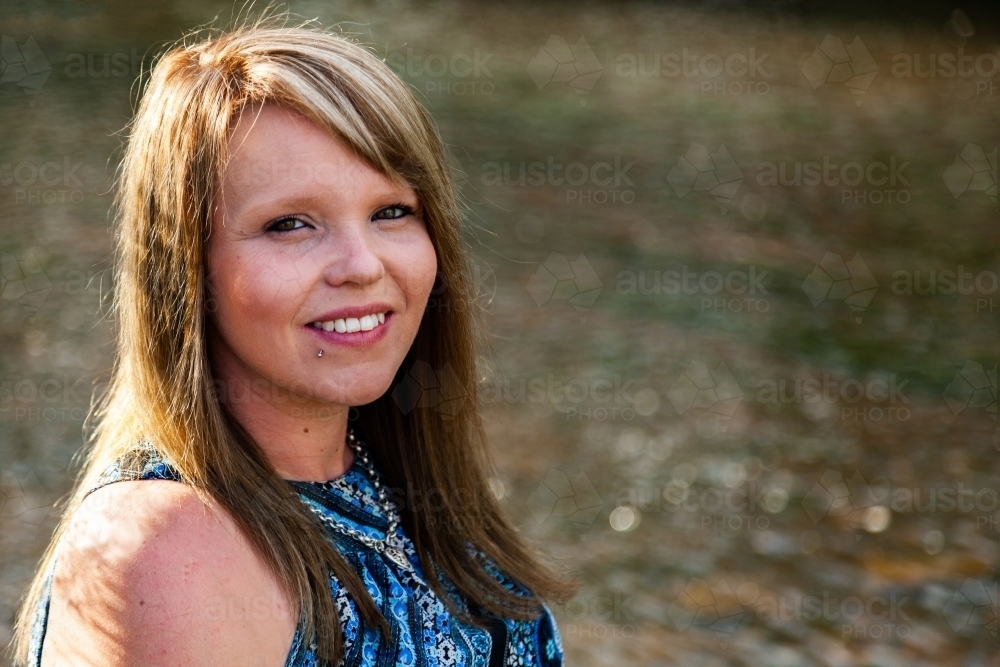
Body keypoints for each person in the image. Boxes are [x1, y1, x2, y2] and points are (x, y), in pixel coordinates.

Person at [13, 22, 573, 667]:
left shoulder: (396, 481)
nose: (362, 265)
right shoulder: (168, 548)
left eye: (391, 211)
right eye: (290, 224)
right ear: (186, 268)